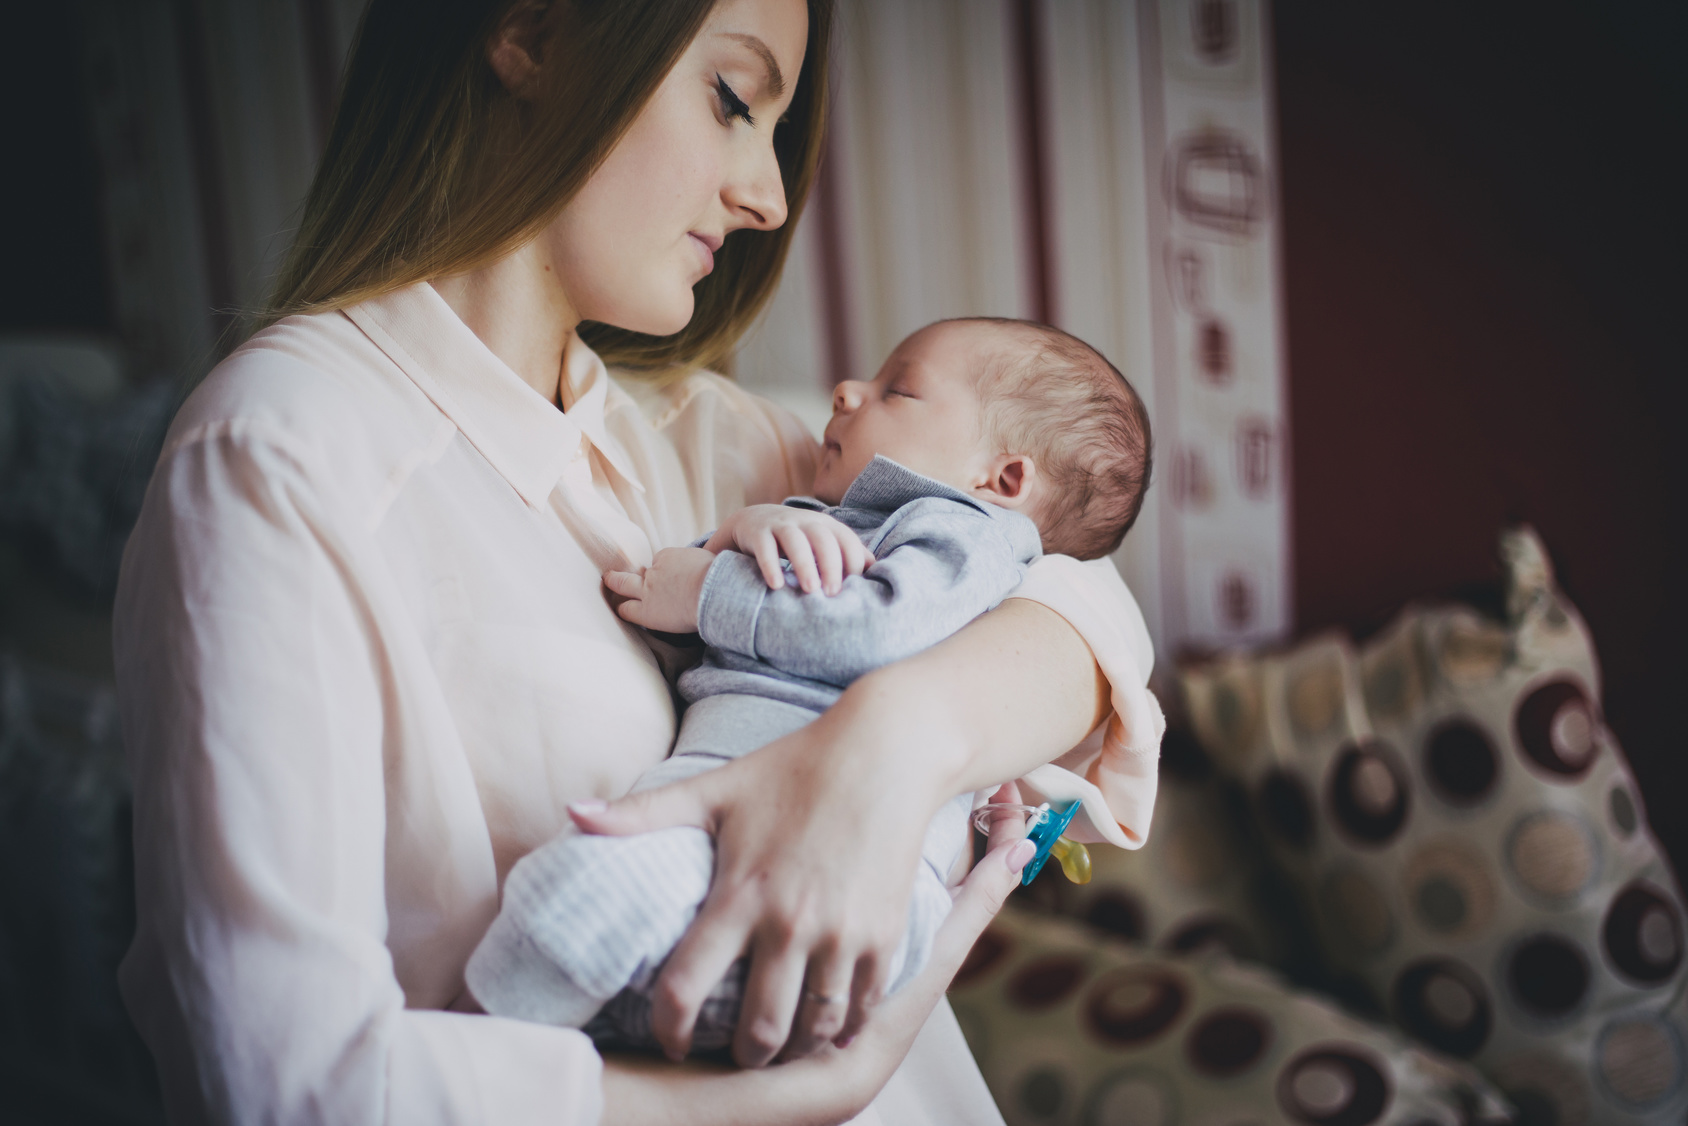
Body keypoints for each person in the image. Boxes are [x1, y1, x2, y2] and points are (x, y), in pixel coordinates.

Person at [111, 0, 1164, 1122]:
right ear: (528, 33)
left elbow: (1065, 567)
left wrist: (890, 742)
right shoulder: (280, 455)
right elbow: (284, 1086)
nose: (766, 196)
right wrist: (798, 1094)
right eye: (730, 99)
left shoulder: (704, 445)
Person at [466, 316, 1160, 1051]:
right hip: (761, 868)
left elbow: (868, 632)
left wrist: (710, 589)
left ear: (1003, 478)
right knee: (603, 995)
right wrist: (742, 535)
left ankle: (464, 1059)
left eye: (899, 389)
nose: (847, 390)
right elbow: (684, 624)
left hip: (831, 881)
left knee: (568, 902)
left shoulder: (963, 533)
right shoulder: (852, 516)